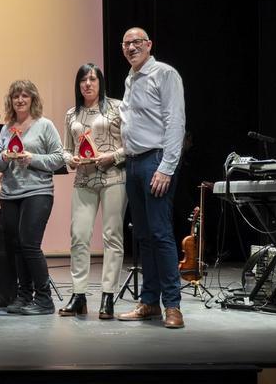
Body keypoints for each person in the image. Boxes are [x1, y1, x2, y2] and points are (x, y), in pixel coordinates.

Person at [115, 27, 187, 329]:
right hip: (133, 163)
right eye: (126, 44)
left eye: (137, 43)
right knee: (143, 237)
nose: (132, 47)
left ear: (149, 45)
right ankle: (149, 302)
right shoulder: (131, 79)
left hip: (156, 160)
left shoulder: (165, 74)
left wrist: (167, 167)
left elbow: (175, 121)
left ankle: (173, 306)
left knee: (160, 234)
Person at [60, 63, 127, 319]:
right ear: (78, 85)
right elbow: (66, 149)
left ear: (100, 82)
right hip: (84, 179)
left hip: (114, 177)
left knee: (112, 237)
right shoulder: (71, 114)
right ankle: (79, 296)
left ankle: (108, 296)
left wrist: (113, 156)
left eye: (92, 79)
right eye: (83, 80)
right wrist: (71, 160)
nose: (88, 84)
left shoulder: (117, 107)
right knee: (79, 236)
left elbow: (130, 144)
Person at [0, 80, 65, 316]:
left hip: (38, 192)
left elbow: (58, 159)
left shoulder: (45, 125)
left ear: (33, 99)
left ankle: (44, 299)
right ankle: (24, 296)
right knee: (15, 247)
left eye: (25, 96)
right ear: (10, 101)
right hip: (10, 194)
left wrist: (31, 158)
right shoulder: (6, 129)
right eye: (16, 96)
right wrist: (4, 157)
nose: (20, 100)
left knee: (29, 244)